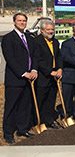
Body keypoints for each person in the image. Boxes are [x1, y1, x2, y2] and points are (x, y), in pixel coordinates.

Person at [1, 13, 38, 143]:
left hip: (29, 79)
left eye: (24, 21)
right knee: (11, 107)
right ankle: (8, 133)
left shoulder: (30, 38)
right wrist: (23, 73)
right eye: (19, 20)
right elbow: (10, 59)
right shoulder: (8, 38)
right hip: (15, 79)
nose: (22, 23)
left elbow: (34, 56)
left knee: (25, 106)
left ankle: (22, 129)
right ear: (14, 22)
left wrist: (34, 69)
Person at [34, 19, 62, 129]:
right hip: (43, 76)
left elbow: (59, 56)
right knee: (40, 100)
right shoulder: (37, 42)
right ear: (42, 30)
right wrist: (50, 72)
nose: (51, 31)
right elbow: (38, 60)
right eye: (48, 29)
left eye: (52, 29)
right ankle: (38, 122)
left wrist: (60, 69)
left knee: (51, 100)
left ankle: (49, 120)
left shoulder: (55, 42)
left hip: (54, 76)